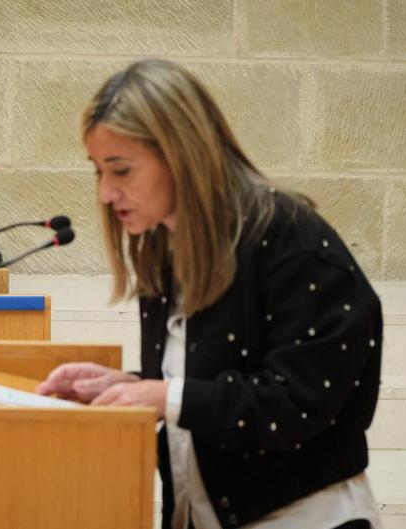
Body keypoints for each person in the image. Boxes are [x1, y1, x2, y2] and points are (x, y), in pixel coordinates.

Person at [36, 59, 382, 529]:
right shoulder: (163, 248)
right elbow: (213, 377)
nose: (105, 194)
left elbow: (296, 402)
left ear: (183, 153)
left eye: (121, 170)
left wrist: (163, 396)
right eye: (98, 171)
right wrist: (131, 387)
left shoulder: (293, 241)